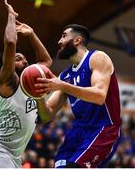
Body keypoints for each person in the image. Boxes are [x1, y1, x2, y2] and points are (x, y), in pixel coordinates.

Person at [35, 24, 122, 168]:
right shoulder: (65, 76)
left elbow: (99, 96)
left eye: (63, 36)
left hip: (103, 129)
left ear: (77, 40)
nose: (59, 41)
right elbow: (47, 114)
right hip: (78, 131)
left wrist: (63, 86)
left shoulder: (97, 58)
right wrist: (36, 95)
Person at [0, 0, 52, 168]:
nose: (25, 61)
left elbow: (46, 62)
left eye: (25, 59)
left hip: (15, 155)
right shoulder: (9, 81)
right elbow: (11, 42)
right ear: (9, 64)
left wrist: (32, 34)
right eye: (19, 59)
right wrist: (11, 16)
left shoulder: (31, 86)